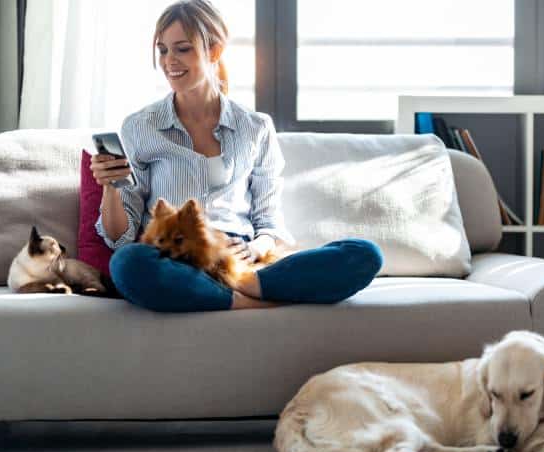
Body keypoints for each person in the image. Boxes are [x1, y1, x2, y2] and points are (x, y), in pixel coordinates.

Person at [91, 0, 382, 312]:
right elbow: (119, 238)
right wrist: (110, 186)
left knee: (363, 254)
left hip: (240, 260)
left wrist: (255, 248)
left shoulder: (255, 127)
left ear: (214, 51)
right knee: (127, 262)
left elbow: (269, 221)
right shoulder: (140, 127)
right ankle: (243, 300)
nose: (169, 61)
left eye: (182, 49)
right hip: (173, 257)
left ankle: (242, 287)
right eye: (163, 50)